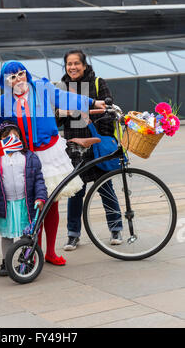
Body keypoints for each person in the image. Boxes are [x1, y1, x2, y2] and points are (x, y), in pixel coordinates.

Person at [0, 60, 105, 266]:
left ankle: (50, 252)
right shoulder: (1, 103)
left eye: (21, 73)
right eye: (12, 77)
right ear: (6, 82)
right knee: (33, 208)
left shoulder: (42, 88)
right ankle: (35, 251)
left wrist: (91, 103)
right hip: (25, 157)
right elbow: (0, 131)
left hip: (49, 153)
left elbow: (64, 98)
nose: (19, 79)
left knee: (51, 204)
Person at [56, 49, 123, 251]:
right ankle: (73, 234)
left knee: (105, 187)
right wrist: (65, 112)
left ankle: (116, 228)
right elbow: (56, 118)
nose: (73, 67)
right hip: (74, 146)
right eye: (69, 64)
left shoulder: (97, 83)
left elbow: (108, 112)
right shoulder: (62, 87)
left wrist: (99, 138)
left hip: (96, 143)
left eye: (76, 63)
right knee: (75, 191)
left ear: (84, 65)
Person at [0, 121, 48, 276]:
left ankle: (27, 259)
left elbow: (39, 179)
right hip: (6, 204)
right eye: (7, 136)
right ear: (1, 140)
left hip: (26, 203)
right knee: (7, 235)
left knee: (27, 234)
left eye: (15, 135)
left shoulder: (29, 156)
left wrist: (40, 197)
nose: (12, 138)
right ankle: (6, 261)